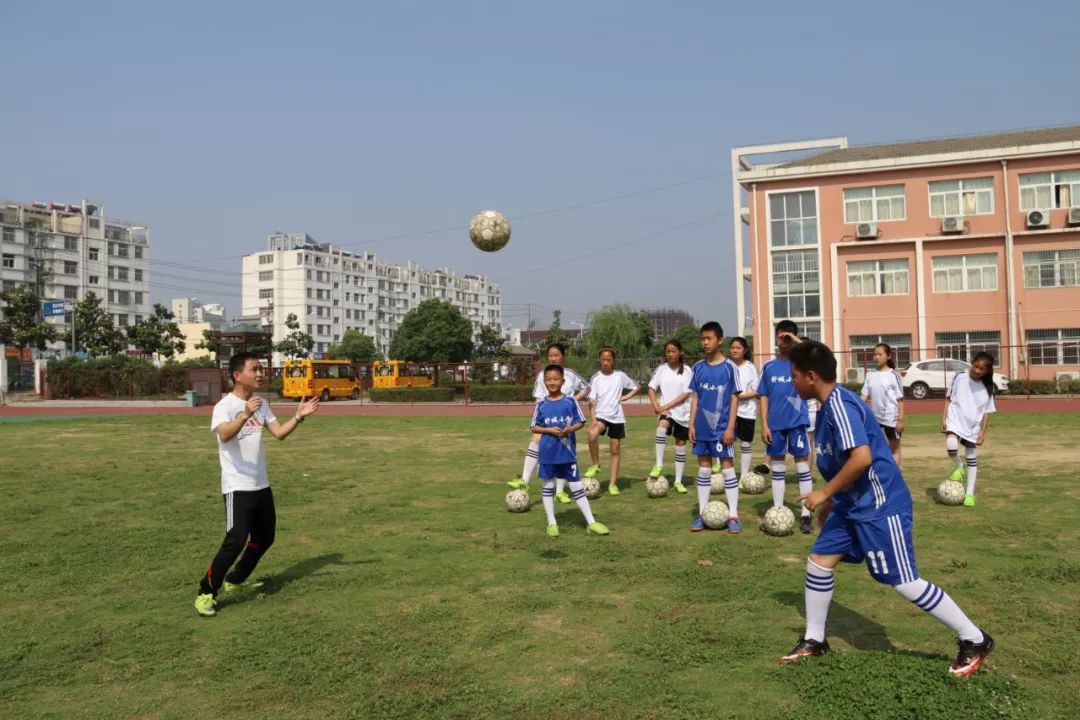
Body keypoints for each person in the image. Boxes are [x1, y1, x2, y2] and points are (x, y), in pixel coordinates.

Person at [780, 340, 994, 677]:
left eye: (794, 376)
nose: (791, 382)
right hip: (851, 504)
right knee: (819, 563)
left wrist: (824, 494)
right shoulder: (826, 405)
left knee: (903, 581)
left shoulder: (839, 406)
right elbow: (841, 461)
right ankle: (815, 640)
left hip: (879, 505)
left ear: (810, 376)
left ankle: (974, 638)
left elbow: (861, 458)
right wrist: (834, 501)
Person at [195, 353, 320, 617]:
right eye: (255, 369)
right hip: (237, 486)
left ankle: (235, 580)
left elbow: (279, 434)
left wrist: (298, 417)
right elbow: (225, 436)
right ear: (238, 375)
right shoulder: (224, 406)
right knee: (236, 539)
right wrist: (244, 415)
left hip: (260, 484)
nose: (261, 374)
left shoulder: (261, 404)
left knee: (265, 537)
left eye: (262, 369)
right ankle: (206, 591)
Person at [531, 364, 610, 537]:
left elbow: (580, 422)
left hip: (567, 453)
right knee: (548, 486)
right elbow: (534, 427)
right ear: (544, 382)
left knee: (576, 486)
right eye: (548, 379)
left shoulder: (570, 401)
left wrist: (569, 430)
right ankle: (552, 523)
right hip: (548, 453)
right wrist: (549, 431)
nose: (552, 382)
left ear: (563, 381)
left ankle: (591, 522)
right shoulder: (542, 404)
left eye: (556, 379)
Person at [508, 343, 590, 505]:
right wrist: (541, 411)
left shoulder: (570, 374)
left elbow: (587, 387)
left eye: (556, 355)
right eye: (551, 355)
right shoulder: (542, 376)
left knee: (562, 451)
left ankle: (559, 492)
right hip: (546, 417)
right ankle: (525, 480)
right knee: (536, 440)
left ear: (563, 357)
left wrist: (573, 400)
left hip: (564, 418)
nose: (553, 358)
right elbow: (538, 396)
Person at [756, 321, 814, 534]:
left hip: (797, 422)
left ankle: (806, 514)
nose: (782, 341)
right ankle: (778, 508)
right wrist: (764, 424)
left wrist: (796, 341)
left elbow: (818, 353)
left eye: (786, 337)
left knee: (801, 467)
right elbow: (763, 395)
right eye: (779, 337)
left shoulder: (802, 362)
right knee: (778, 468)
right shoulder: (769, 367)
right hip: (775, 425)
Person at [687, 322, 743, 532]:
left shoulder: (730, 368)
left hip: (721, 429)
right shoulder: (698, 368)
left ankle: (734, 516)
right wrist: (691, 424)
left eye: (709, 338)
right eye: (703, 339)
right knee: (703, 468)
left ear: (720, 340)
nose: (705, 342)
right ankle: (702, 514)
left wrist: (730, 427)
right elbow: (695, 397)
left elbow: (735, 398)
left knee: (727, 469)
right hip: (701, 428)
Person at [942, 351, 996, 507]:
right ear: (972, 362)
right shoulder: (959, 376)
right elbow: (948, 398)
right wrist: (943, 418)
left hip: (972, 426)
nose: (977, 370)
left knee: (971, 457)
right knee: (951, 445)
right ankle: (959, 465)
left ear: (987, 371)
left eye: (982, 369)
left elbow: (987, 411)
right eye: (976, 366)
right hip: (955, 419)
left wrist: (982, 432)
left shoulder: (988, 388)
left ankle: (970, 494)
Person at [585, 347, 640, 495]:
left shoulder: (620, 376)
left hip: (616, 417)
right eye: (603, 359)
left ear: (613, 360)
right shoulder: (596, 378)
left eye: (608, 360)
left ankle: (612, 484)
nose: (605, 362)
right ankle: (596, 464)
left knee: (615, 450)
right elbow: (591, 401)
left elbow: (636, 387)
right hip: (601, 415)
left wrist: (625, 397)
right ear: (599, 360)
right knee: (592, 434)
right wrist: (593, 420)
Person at [647, 340, 693, 493]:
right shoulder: (661, 369)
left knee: (680, 445)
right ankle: (659, 464)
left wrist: (664, 406)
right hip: (667, 413)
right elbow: (651, 388)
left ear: (680, 352)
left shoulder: (687, 370)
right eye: (668, 352)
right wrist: (656, 406)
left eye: (673, 351)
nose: (670, 354)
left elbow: (686, 394)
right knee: (661, 428)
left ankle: (678, 481)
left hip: (683, 413)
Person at [860, 343, 905, 466]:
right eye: (874, 354)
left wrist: (900, 420)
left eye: (880, 354)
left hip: (891, 418)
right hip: (874, 418)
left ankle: (894, 476)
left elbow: (900, 399)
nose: (876, 357)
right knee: (870, 444)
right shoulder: (870, 375)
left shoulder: (894, 375)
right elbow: (863, 397)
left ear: (888, 356)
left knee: (894, 449)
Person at [729, 337, 759, 480]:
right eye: (733, 347)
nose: (734, 350)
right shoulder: (727, 366)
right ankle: (727, 473)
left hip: (747, 411)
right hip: (729, 411)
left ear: (745, 350)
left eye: (738, 348)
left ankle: (744, 476)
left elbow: (757, 391)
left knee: (745, 443)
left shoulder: (750, 368)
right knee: (727, 440)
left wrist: (739, 396)